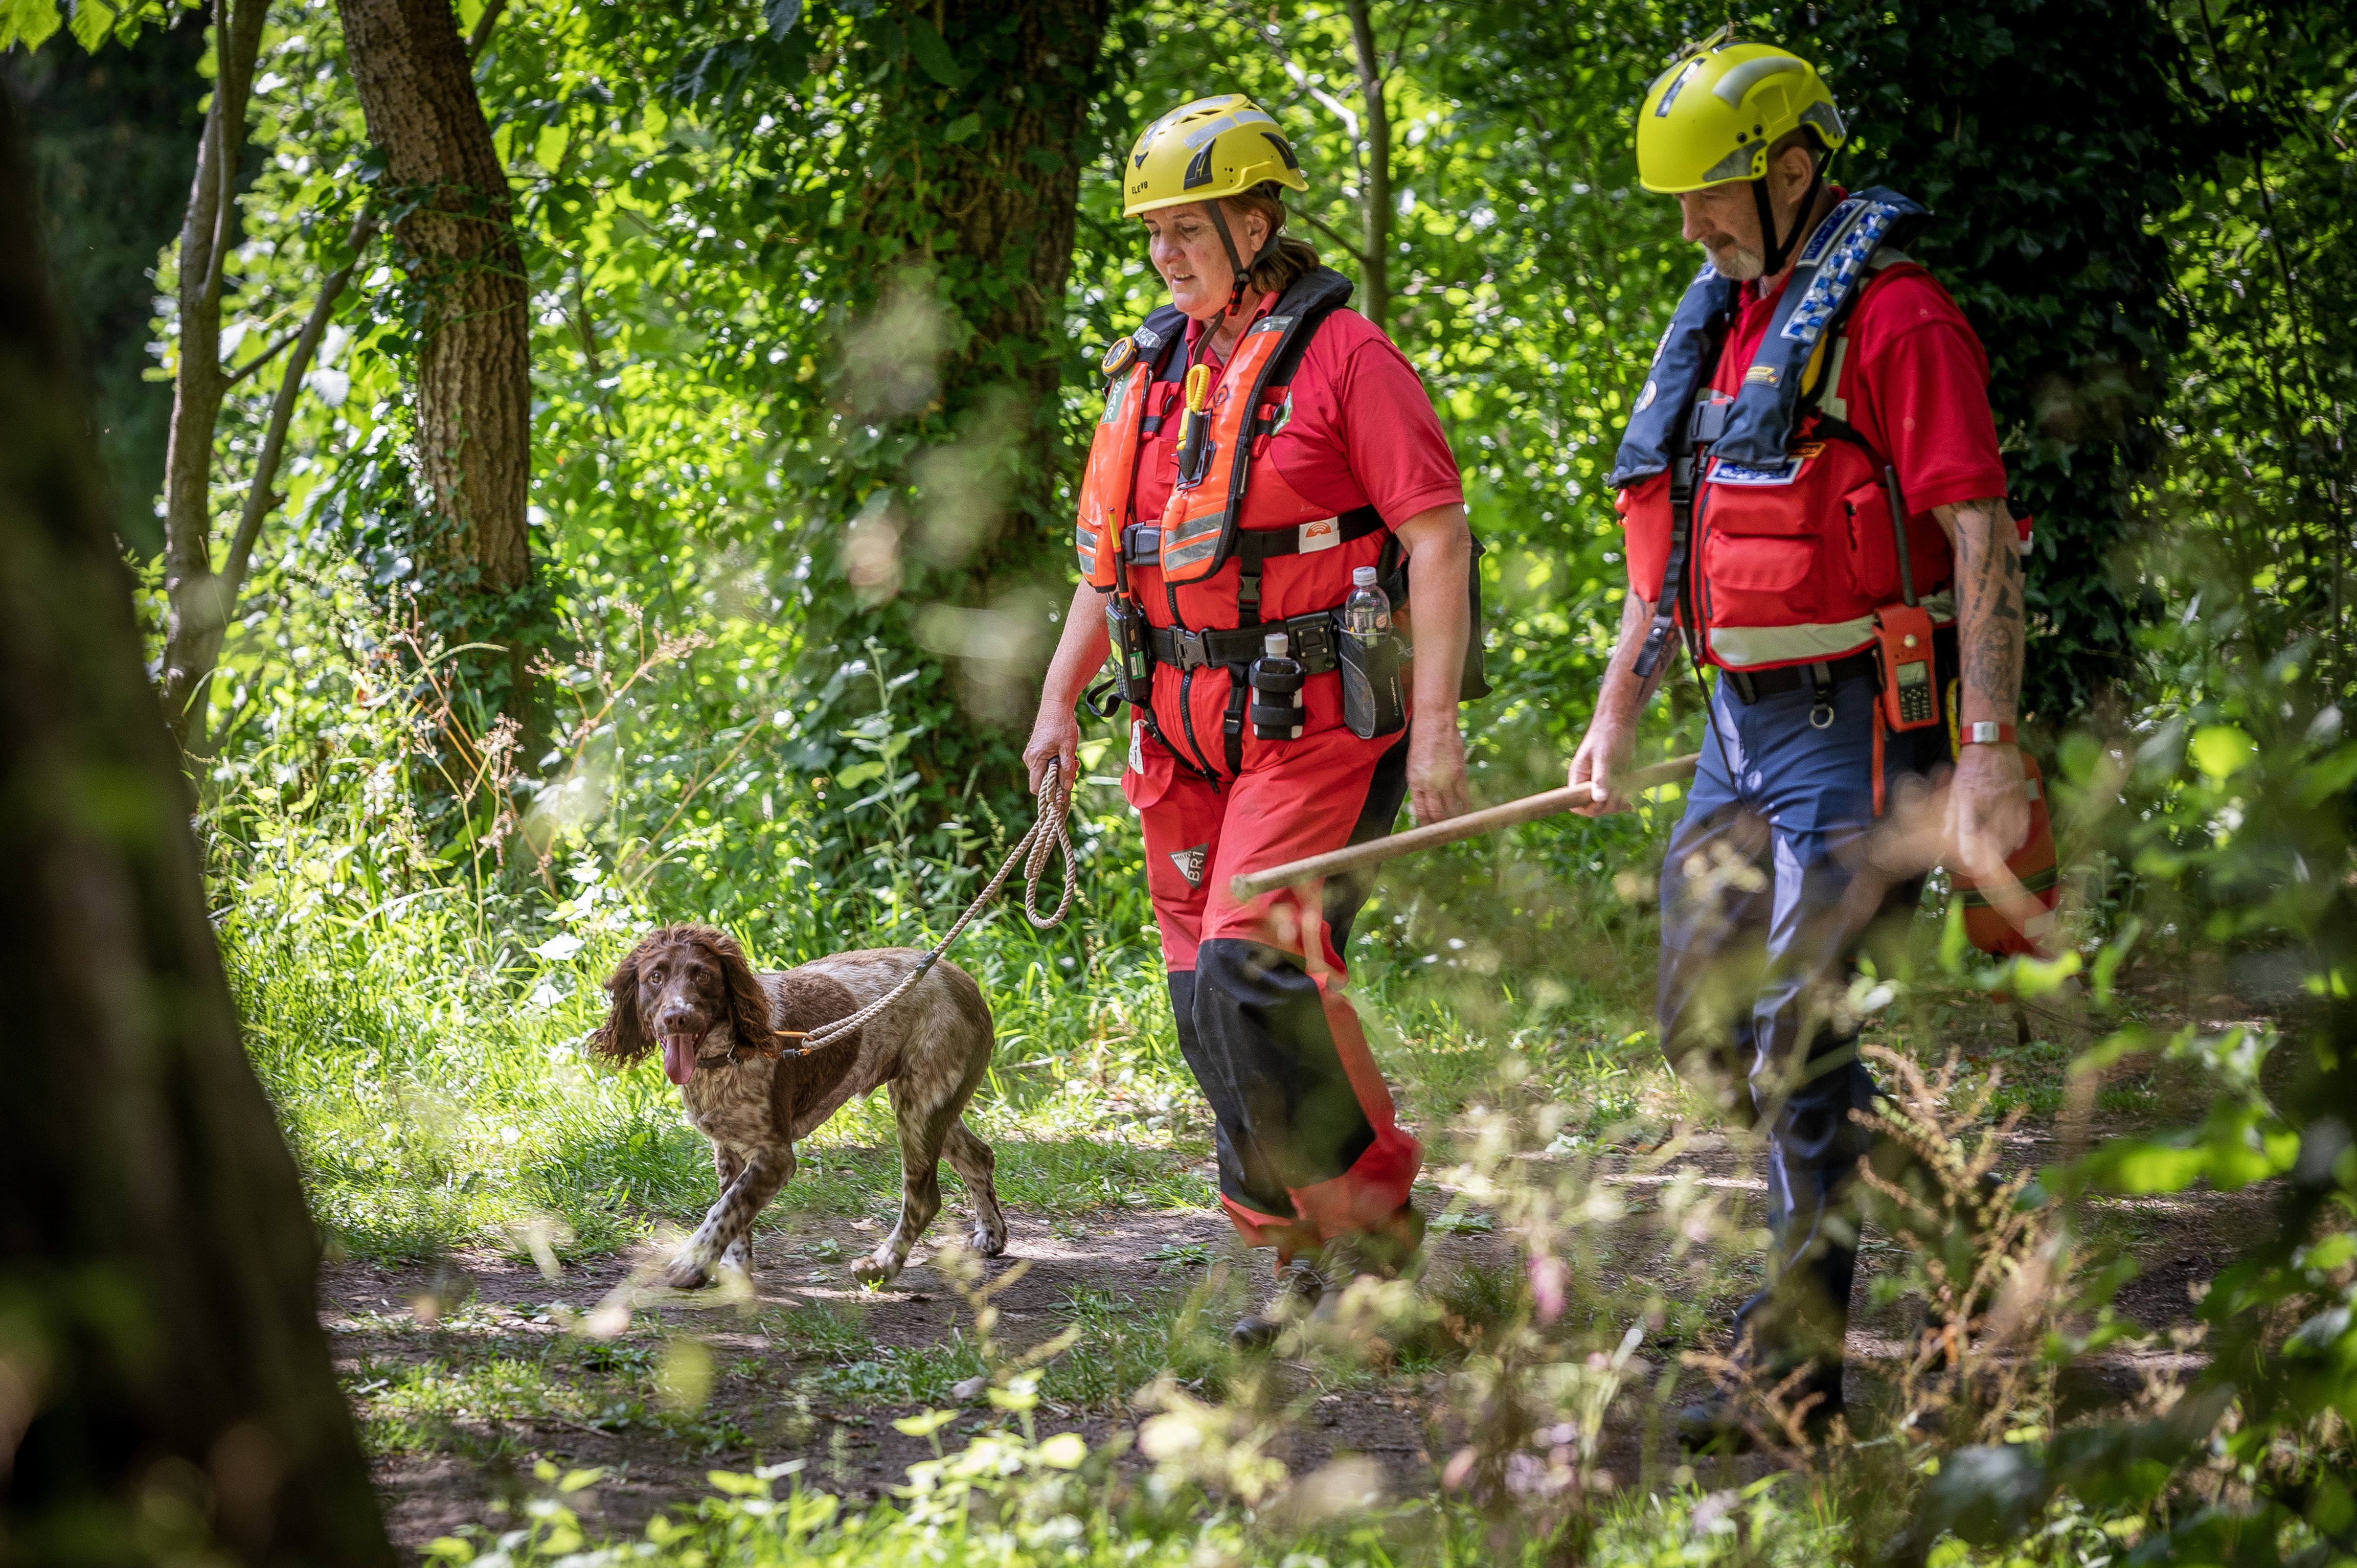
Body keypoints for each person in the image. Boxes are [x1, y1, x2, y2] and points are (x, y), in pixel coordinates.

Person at [1565, 37, 2031, 1446]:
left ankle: (1794, 1368)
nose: (1691, 227)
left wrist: (1992, 742)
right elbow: (1666, 576)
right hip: (1731, 732)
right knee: (1704, 1020)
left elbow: (1978, 537)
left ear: (1788, 168)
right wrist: (1610, 718)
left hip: (1854, 732)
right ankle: (1975, 1226)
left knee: (1796, 1037)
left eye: (1710, 196)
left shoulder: (1897, 320)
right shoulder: (1719, 322)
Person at [1022, 94, 1479, 1347]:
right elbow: (1104, 566)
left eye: (1190, 228)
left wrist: (1433, 728)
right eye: (1154, 233)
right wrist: (1056, 703)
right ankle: (1292, 1261)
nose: (1167, 253)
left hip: (1310, 719)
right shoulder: (1151, 372)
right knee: (1200, 1006)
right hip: (1175, 731)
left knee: (1254, 975)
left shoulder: (1347, 359)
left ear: (1257, 218)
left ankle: (1381, 1243)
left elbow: (1436, 535)